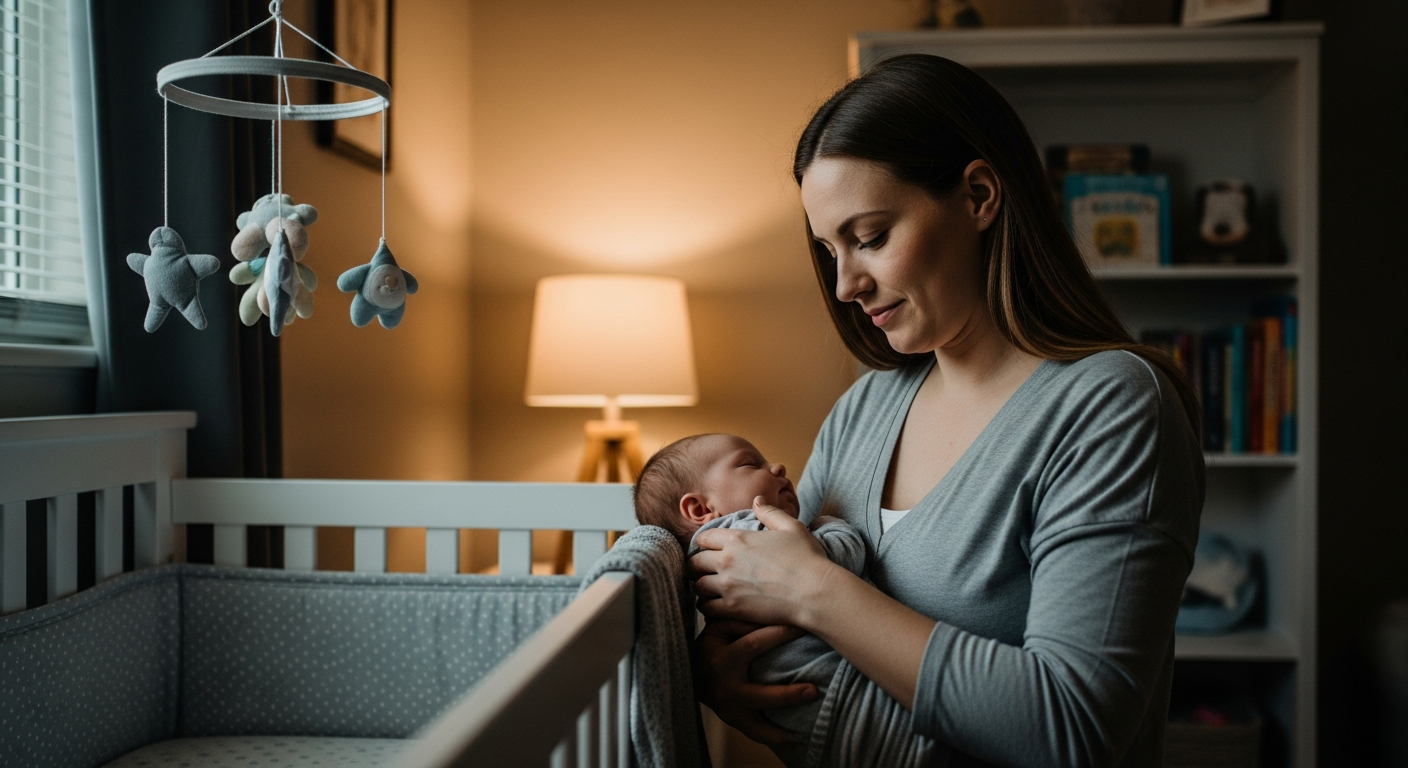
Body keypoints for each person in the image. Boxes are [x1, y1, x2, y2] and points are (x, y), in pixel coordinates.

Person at [688, 54, 1205, 768]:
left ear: (979, 196)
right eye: (829, 250)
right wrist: (718, 667)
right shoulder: (863, 410)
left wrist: (816, 592)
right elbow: (775, 610)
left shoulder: (1110, 406)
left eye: (870, 238)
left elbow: (1074, 728)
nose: (845, 285)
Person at [634, 433, 942, 768]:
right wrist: (832, 529)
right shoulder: (747, 534)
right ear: (700, 509)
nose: (777, 467)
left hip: (806, 718)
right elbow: (834, 562)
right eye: (750, 464)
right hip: (839, 695)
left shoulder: (709, 560)